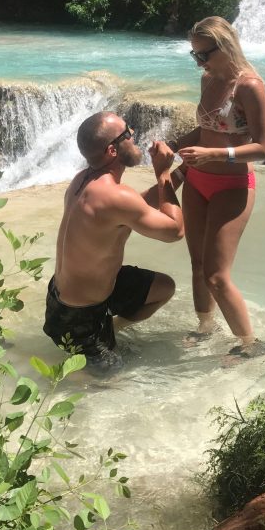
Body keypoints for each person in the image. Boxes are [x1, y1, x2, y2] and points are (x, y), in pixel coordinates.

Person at [43, 111, 184, 373]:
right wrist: (163, 173)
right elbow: (175, 231)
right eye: (128, 134)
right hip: (78, 319)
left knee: (163, 287)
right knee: (107, 387)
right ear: (111, 150)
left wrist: (182, 173)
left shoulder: (83, 180)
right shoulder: (116, 196)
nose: (134, 135)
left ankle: (113, 327)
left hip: (64, 297)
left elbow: (135, 206)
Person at [170, 16, 265, 359]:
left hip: (232, 184)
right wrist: (171, 148)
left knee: (216, 275)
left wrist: (213, 153)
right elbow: (203, 131)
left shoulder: (250, 87)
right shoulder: (208, 79)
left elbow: (262, 148)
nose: (199, 63)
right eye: (194, 56)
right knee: (197, 264)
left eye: (204, 55)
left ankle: (250, 345)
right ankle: (205, 327)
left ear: (225, 47)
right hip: (196, 181)